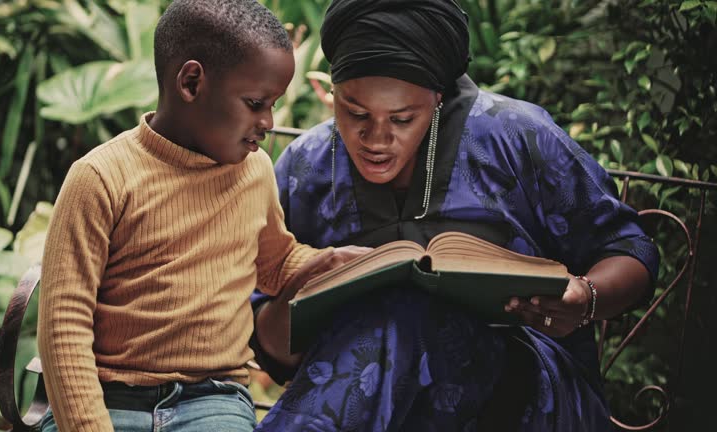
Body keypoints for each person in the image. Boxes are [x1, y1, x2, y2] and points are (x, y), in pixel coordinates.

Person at [250, 0, 660, 430]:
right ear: (331, 92)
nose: (376, 138)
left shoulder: (517, 137)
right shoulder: (306, 167)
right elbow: (271, 346)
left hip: (525, 394)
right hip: (370, 401)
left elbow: (631, 250)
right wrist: (304, 286)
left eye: (403, 118)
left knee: (412, 317)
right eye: (354, 113)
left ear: (438, 99)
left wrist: (585, 298)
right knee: (391, 321)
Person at [36, 1, 368, 431]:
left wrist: (328, 265)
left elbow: (273, 265)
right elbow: (63, 329)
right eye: (255, 102)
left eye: (272, 105)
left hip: (211, 399)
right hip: (107, 397)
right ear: (191, 82)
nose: (267, 120)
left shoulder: (254, 171)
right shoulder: (100, 177)